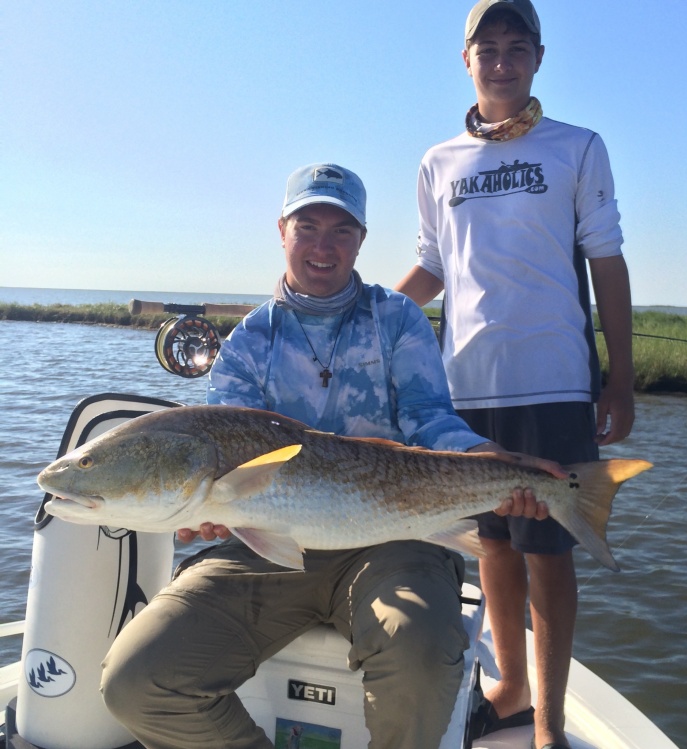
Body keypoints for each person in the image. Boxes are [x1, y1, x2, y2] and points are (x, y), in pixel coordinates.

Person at [99, 162, 562, 749]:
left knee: (421, 658)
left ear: (361, 239)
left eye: (341, 230)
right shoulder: (246, 346)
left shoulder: (396, 319)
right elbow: (220, 457)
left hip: (393, 537)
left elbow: (430, 420)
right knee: (135, 680)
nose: (323, 245)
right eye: (307, 225)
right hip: (259, 548)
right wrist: (206, 515)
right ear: (282, 231)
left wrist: (492, 459)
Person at [394, 3, 635, 749]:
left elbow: (606, 259)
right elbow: (433, 265)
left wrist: (619, 378)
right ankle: (510, 683)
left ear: (537, 57)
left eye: (515, 48)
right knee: (494, 544)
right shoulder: (437, 163)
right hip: (462, 388)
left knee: (548, 549)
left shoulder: (578, 147)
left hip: (553, 382)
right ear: (464, 59)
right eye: (486, 48)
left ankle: (549, 720)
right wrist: (371, 312)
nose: (500, 61)